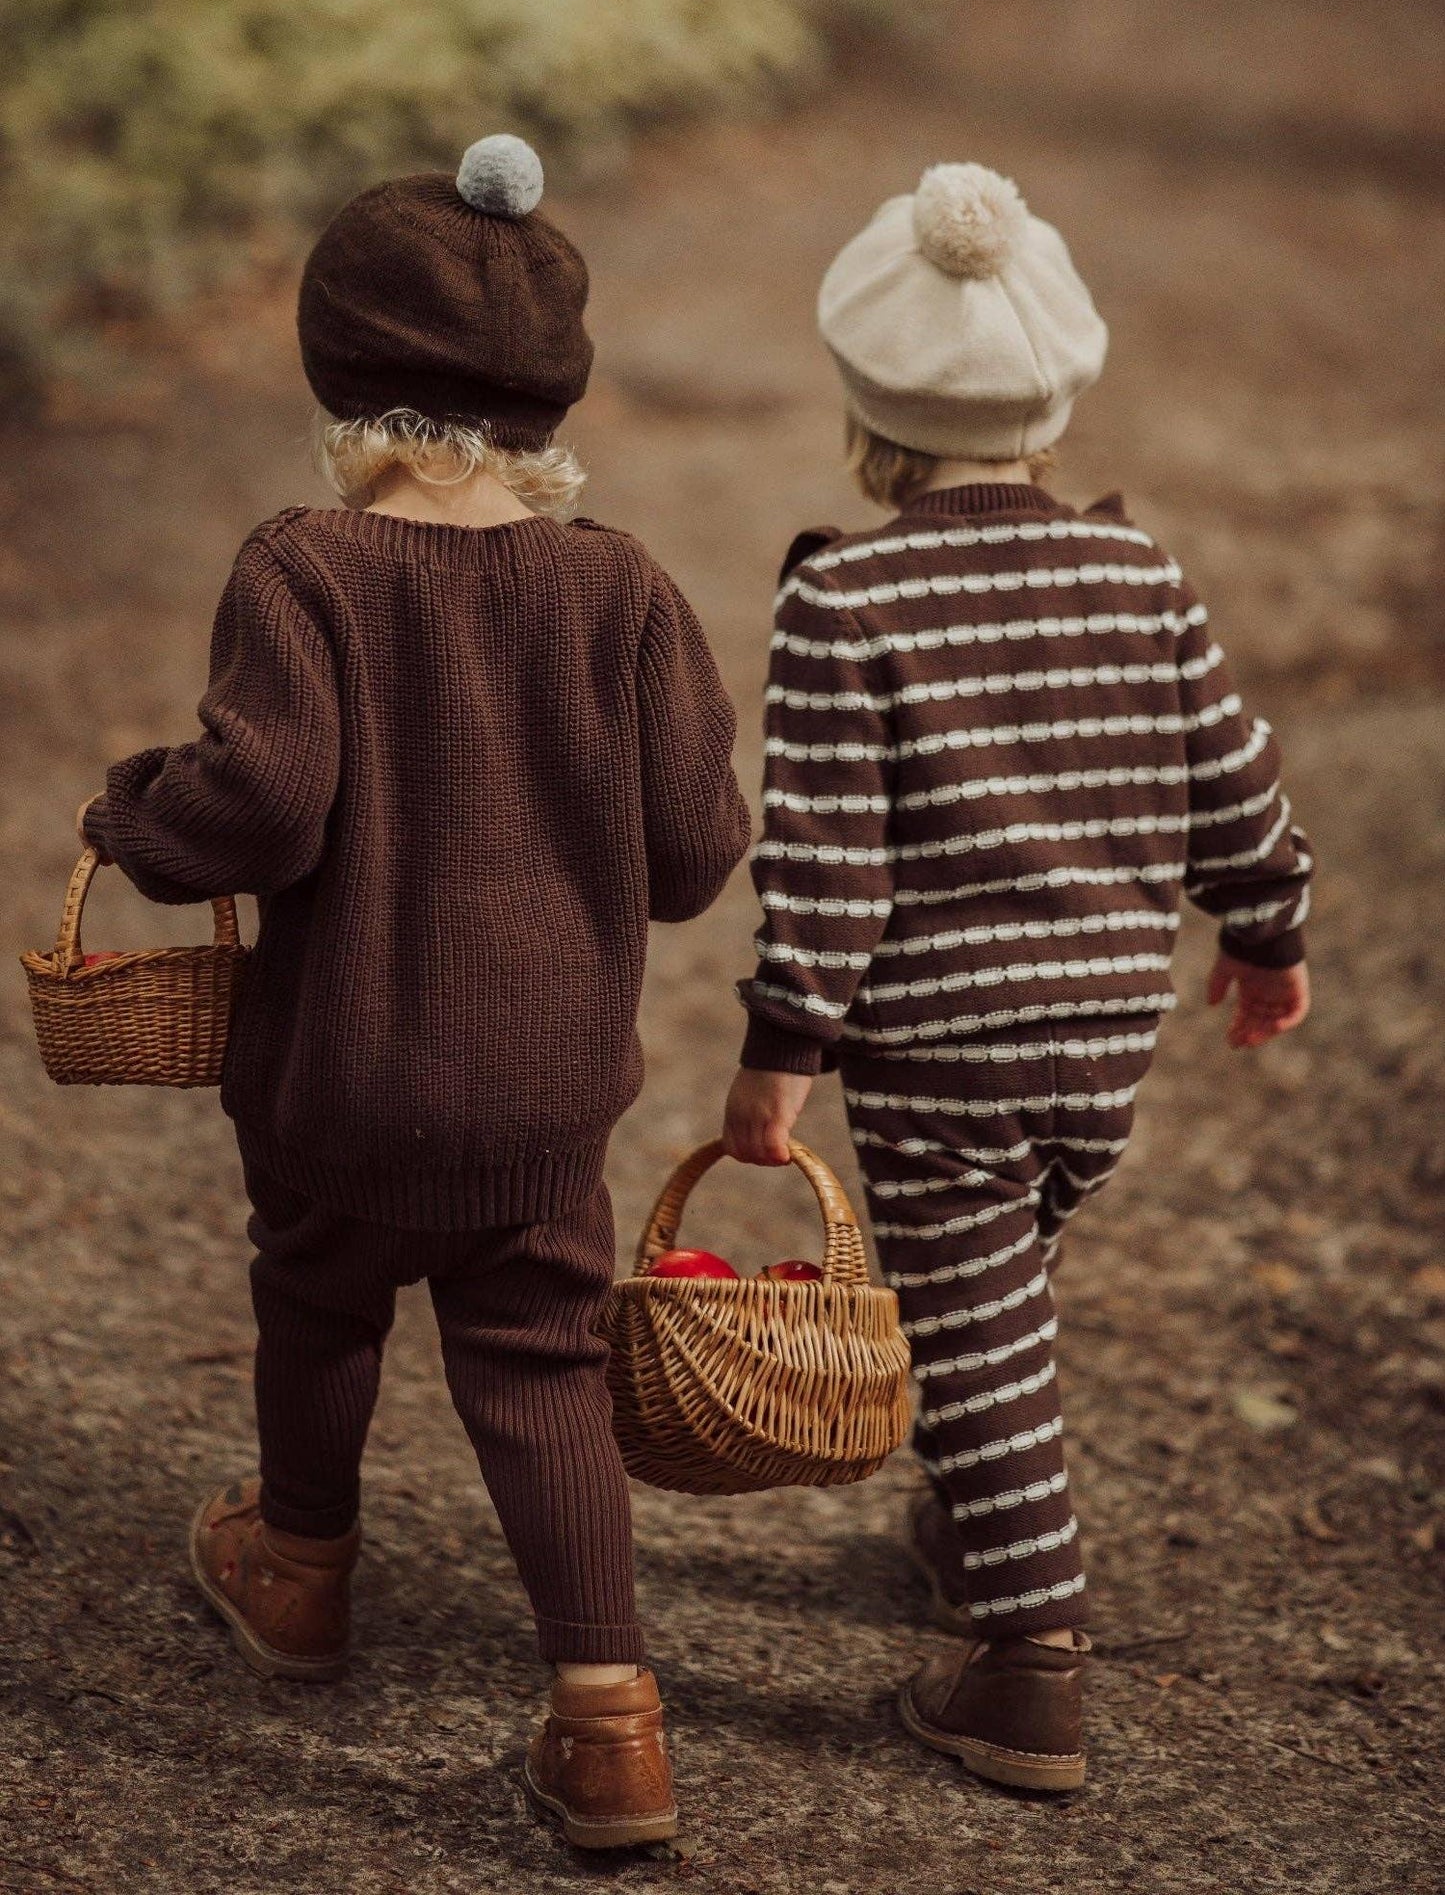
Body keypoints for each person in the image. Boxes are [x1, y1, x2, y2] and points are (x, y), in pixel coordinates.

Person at [78, 133, 751, 1850]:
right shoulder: (623, 588)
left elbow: (258, 806)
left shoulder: (303, 567)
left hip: (343, 1082)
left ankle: (299, 1568)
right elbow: (689, 858)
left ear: (341, 380)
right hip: (541, 1100)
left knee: (317, 1300)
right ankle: (609, 1721)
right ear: (547, 407)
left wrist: (133, 810)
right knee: (536, 1362)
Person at [722, 162, 1311, 1792]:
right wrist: (1266, 931)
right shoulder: (1142, 575)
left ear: (869, 407)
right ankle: (977, 1513)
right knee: (993, 1302)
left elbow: (825, 850)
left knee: (969, 1309)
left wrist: (781, 1045)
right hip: (1103, 1032)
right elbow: (1233, 781)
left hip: (939, 1048)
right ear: (1057, 396)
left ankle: (1027, 1665)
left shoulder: (843, 594)